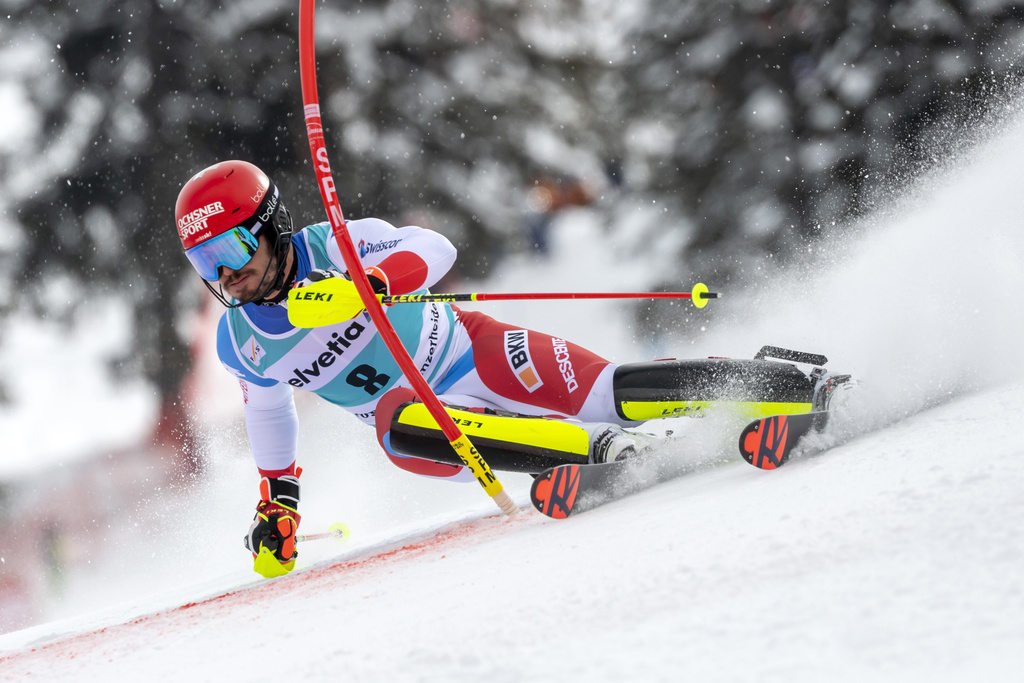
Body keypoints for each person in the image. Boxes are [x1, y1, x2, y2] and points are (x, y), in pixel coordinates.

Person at [175, 160, 845, 578]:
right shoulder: (242, 341)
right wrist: (279, 504)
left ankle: (778, 387)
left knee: (606, 389)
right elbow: (268, 411)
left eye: (232, 247)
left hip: (473, 349)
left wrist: (368, 283)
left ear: (271, 226)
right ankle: (602, 454)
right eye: (208, 265)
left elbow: (434, 247)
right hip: (426, 419)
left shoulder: (333, 244)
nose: (228, 272)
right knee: (399, 423)